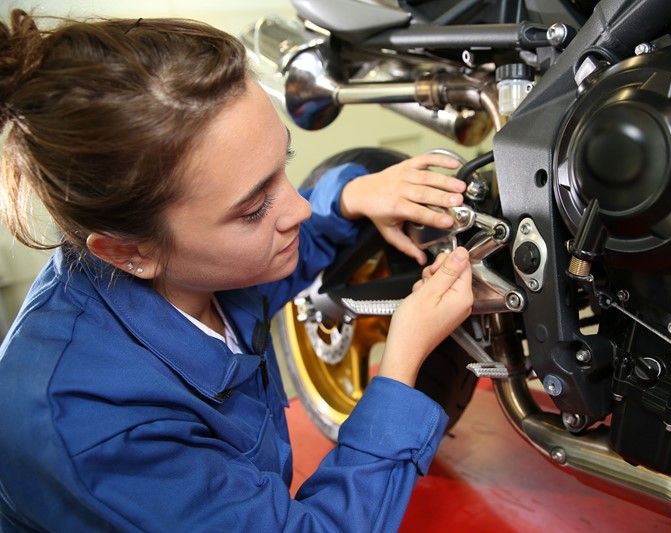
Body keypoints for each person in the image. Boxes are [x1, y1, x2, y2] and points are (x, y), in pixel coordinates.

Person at [0, 10, 473, 532]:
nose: (296, 210)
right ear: (126, 251)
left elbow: (276, 254)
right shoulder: (98, 430)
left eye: (284, 164)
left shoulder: (180, 265)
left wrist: (348, 196)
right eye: (252, 209)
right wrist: (401, 364)